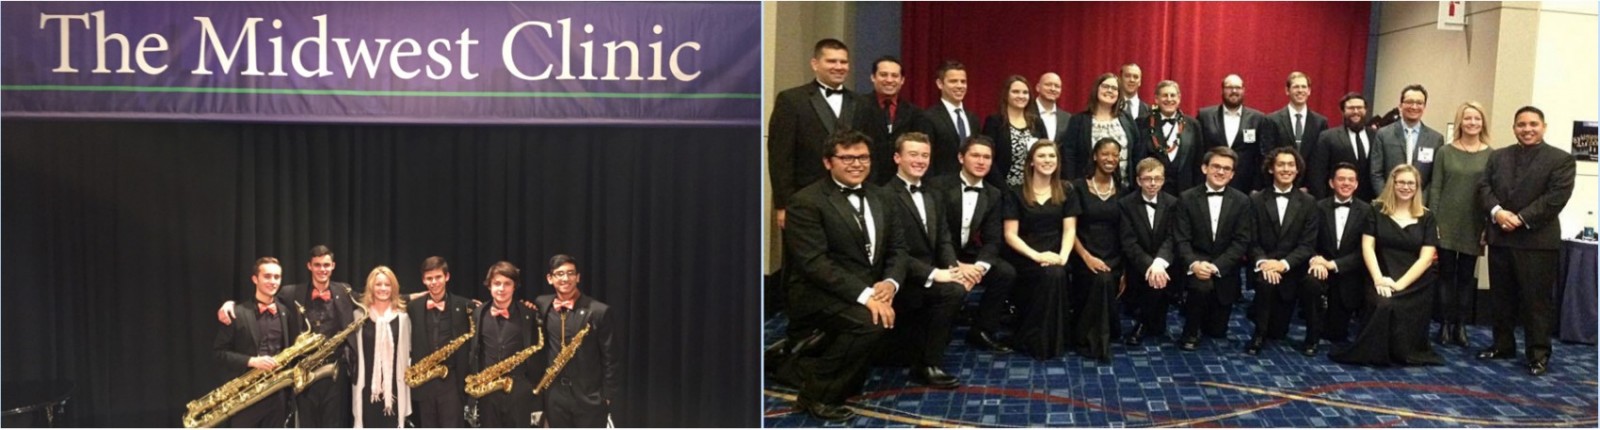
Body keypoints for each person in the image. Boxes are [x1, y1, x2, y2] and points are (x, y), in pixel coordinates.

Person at [779, 130, 909, 422]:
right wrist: (867, 297)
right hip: (817, 292)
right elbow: (815, 264)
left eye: (862, 157)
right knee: (869, 323)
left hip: (864, 287)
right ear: (828, 162)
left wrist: (889, 283)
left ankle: (820, 372)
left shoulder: (883, 196)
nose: (856, 164)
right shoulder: (806, 201)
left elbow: (899, 249)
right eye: (847, 157)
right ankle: (816, 395)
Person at [1476, 106, 1575, 376]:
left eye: (1533, 124)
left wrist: (1519, 218)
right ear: (1514, 127)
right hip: (1500, 238)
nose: (1527, 129)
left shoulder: (1561, 159)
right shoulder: (1497, 157)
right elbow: (1484, 188)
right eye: (1521, 124)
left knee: (1536, 303)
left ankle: (1538, 354)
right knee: (1501, 298)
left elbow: (1555, 198)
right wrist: (1498, 213)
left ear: (1544, 126)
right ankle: (1502, 345)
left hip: (1536, 242)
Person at [216, 245, 355, 428]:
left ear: (333, 266)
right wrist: (229, 304)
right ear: (309, 266)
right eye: (317, 264)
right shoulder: (290, 294)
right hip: (290, 379)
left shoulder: (343, 291)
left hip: (326, 379)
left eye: (326, 265)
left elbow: (373, 295)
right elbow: (257, 299)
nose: (322, 269)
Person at [1329, 164, 1444, 367]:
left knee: (1398, 302)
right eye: (1401, 182)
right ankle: (1376, 352)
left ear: (1417, 186)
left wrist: (1399, 285)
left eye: (1411, 183)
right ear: (1392, 183)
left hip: (1415, 280)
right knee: (1384, 304)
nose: (1406, 187)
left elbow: (1426, 258)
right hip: (1381, 272)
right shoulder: (1376, 210)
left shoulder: (1427, 217)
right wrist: (1378, 278)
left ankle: (1405, 351)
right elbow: (1368, 247)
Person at [882, 132, 969, 388]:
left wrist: (953, 268)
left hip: (931, 272)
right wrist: (933, 274)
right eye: (913, 154)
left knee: (956, 287)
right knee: (950, 292)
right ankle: (926, 365)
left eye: (925, 155)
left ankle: (927, 357)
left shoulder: (933, 192)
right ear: (897, 157)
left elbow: (943, 237)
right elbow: (892, 251)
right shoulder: (884, 196)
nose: (920, 160)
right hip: (900, 276)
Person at [926, 136, 1018, 354]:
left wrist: (979, 268)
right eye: (975, 155)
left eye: (987, 157)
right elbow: (939, 234)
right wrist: (955, 267)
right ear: (961, 157)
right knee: (953, 285)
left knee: (1005, 272)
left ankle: (982, 330)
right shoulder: (938, 186)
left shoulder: (993, 194)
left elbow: (993, 239)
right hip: (937, 253)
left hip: (967, 252)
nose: (981, 161)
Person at [769, 38, 861, 230]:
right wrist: (783, 205)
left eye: (843, 62)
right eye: (831, 61)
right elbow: (780, 157)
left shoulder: (861, 103)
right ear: (815, 64)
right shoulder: (791, 100)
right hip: (804, 200)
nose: (839, 67)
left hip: (851, 201)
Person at [1002, 140, 1080, 360]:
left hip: (1057, 254)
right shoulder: (1015, 193)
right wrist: (1037, 256)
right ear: (1031, 163)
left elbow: (1070, 229)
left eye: (1052, 156)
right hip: (1025, 256)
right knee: (1051, 275)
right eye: (1042, 156)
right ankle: (1042, 339)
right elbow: (1010, 235)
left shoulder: (1066, 190)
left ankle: (1041, 339)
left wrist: (1063, 257)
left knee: (1056, 273)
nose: (1048, 160)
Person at [1426, 102, 1493, 348]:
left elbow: (1492, 192)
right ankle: (1444, 324)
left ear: (1482, 122)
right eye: (1468, 118)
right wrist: (1432, 222)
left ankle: (1461, 325)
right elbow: (1436, 187)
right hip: (1445, 220)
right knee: (1445, 275)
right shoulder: (1445, 151)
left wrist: (1488, 225)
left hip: (1474, 223)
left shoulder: (1491, 154)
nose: (1472, 123)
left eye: (1477, 118)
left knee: (1466, 277)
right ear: (1460, 122)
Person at [1174, 146, 1255, 351]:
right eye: (1216, 167)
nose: (1220, 172)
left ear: (1232, 174)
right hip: (1196, 266)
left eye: (1226, 169)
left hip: (1224, 270)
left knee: (1216, 331)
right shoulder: (1186, 198)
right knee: (1201, 286)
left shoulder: (1243, 201)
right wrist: (1194, 263)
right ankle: (1189, 330)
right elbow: (1181, 239)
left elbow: (1241, 241)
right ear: (1204, 168)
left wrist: (1216, 266)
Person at [212, 257, 306, 428]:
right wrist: (252, 361)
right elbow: (218, 353)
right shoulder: (237, 313)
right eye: (267, 276)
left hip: (277, 398)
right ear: (255, 279)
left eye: (277, 277)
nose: (273, 281)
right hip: (245, 399)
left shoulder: (286, 313)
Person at [1244, 147, 1320, 356]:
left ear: (1297, 171)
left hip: (1295, 268)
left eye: (1291, 165)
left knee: (1313, 283)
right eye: (1280, 164)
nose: (1286, 169)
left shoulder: (1309, 202)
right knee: (1266, 283)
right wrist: (1264, 263)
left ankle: (1312, 338)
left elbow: (1307, 244)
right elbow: (1251, 240)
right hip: (1266, 265)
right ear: (1271, 169)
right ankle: (1258, 334)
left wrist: (1283, 264)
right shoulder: (1256, 200)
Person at [533, 255, 618, 427]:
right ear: (550, 278)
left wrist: (607, 396)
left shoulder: (599, 311)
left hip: (589, 396)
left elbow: (611, 357)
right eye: (559, 274)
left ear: (578, 277)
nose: (565, 278)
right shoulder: (542, 304)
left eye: (570, 273)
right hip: (555, 396)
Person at [1068, 138, 1127, 362]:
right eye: (1105, 154)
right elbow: (1069, 230)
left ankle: (1092, 335)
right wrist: (1086, 257)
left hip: (1113, 257)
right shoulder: (1077, 187)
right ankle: (1094, 341)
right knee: (1101, 280)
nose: (1110, 159)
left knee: (1106, 278)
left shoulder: (1124, 190)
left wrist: (1125, 271)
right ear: (1095, 156)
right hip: (1082, 254)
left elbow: (1126, 234)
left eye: (1115, 155)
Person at [1305, 163, 1374, 348]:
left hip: (1348, 273)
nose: (1346, 183)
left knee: (1336, 334)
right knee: (1312, 281)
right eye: (1341, 179)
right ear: (1331, 182)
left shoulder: (1368, 211)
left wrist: (1334, 264)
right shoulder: (1317, 207)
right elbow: (1307, 241)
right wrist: (1316, 260)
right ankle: (1310, 339)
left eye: (1351, 180)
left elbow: (1365, 251)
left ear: (1357, 184)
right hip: (1320, 270)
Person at [466, 261, 542, 428]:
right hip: (488, 390)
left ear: (515, 286)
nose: (501, 289)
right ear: (489, 286)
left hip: (519, 389)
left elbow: (537, 354)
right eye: (497, 283)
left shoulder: (529, 314)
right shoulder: (478, 313)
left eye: (507, 284)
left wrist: (529, 387)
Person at [1119, 157, 1180, 346]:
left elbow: (1173, 238)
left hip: (1165, 263)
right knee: (1154, 286)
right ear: (1138, 180)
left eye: (1157, 179)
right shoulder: (1125, 204)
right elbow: (1129, 242)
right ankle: (1142, 323)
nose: (1153, 183)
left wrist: (1159, 263)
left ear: (1163, 180)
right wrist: (1150, 265)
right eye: (1147, 179)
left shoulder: (1173, 203)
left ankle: (1144, 322)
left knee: (1158, 326)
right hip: (1138, 264)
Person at [406, 257, 473, 428]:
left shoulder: (465, 305)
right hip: (424, 380)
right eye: (429, 278)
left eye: (438, 277)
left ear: (447, 277)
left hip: (451, 380)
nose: (434, 282)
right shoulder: (414, 306)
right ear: (423, 280)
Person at [352, 266, 412, 428]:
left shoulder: (403, 318)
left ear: (393, 288)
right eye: (378, 284)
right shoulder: (359, 316)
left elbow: (407, 356)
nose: (383, 288)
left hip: (393, 390)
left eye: (387, 284)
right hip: (366, 389)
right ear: (371, 286)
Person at [1197, 74, 1278, 192]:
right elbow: (1199, 152)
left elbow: (1262, 156)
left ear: (1243, 90)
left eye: (1238, 87)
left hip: (1245, 186)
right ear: (1222, 90)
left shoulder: (1258, 118)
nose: (1234, 91)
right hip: (1211, 183)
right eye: (1229, 87)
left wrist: (1257, 187)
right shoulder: (1205, 116)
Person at [860, 55, 926, 186]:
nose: (889, 80)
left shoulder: (915, 113)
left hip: (901, 185)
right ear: (873, 77)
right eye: (884, 75)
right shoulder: (858, 106)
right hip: (865, 182)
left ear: (902, 80)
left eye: (895, 76)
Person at [1131, 80, 1203, 196]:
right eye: (1164, 95)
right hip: (1152, 192)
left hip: (1185, 192)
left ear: (1179, 98)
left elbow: (1198, 162)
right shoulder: (1142, 124)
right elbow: (1137, 160)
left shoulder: (1193, 125)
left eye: (1173, 95)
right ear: (1156, 99)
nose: (1169, 99)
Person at [1370, 84, 1445, 193]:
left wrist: (1420, 202)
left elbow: (1435, 178)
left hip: (1420, 205)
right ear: (1400, 105)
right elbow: (1376, 173)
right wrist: (1386, 199)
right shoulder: (1383, 134)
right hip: (1389, 202)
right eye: (1409, 102)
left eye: (1419, 103)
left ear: (1424, 107)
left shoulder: (1436, 139)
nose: (1414, 107)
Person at [1064, 73, 1137, 183]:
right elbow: (1069, 156)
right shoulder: (1078, 120)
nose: (1109, 90)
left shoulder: (1127, 118)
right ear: (1096, 89)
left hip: (1124, 189)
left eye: (1114, 88)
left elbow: (1137, 150)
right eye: (1105, 86)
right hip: (1088, 189)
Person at [1305, 93, 1378, 200]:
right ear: (1343, 111)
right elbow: (1317, 174)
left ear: (1366, 110)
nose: (1356, 111)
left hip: (1370, 203)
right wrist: (1322, 203)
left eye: (1359, 108)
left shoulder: (1377, 136)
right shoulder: (1328, 137)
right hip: (1336, 202)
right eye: (1351, 108)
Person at [982, 75, 1047, 188]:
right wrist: (1004, 189)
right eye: (1015, 92)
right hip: (1001, 189)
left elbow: (1045, 153)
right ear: (1006, 95)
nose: (1021, 96)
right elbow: (988, 158)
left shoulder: (1037, 123)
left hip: (1031, 190)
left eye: (1025, 92)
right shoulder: (995, 122)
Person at [919, 60, 977, 179]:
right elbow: (925, 156)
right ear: (940, 84)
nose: (960, 86)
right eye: (953, 81)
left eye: (963, 81)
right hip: (940, 189)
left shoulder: (973, 118)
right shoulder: (928, 117)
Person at [1266, 72, 1329, 155]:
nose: (1300, 90)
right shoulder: (1272, 120)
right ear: (1287, 91)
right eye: (1296, 87)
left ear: (1309, 91)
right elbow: (1269, 152)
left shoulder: (1320, 122)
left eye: (1304, 87)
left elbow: (1322, 153)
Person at [1030, 72, 1071, 142]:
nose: (1053, 89)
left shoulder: (1067, 118)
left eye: (1057, 86)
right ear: (1038, 88)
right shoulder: (1025, 111)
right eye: (1048, 85)